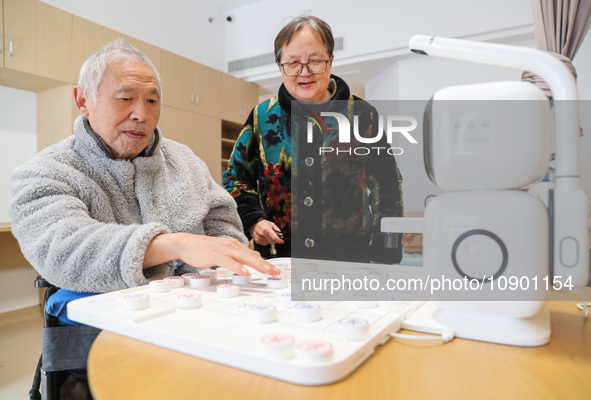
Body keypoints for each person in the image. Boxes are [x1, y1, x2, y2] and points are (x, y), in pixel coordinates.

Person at [9, 38, 280, 297]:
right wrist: (175, 245)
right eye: (125, 98)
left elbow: (225, 228)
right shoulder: (46, 171)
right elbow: (63, 250)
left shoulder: (184, 160)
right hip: (99, 324)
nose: (142, 114)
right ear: (83, 101)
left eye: (152, 101)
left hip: (199, 309)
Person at [222, 16, 404, 263]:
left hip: (348, 258)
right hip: (281, 259)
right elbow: (235, 179)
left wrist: (386, 250)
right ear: (279, 65)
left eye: (315, 61)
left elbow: (387, 185)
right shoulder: (262, 118)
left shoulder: (362, 115)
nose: (304, 72)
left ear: (330, 61)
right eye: (293, 62)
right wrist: (254, 220)